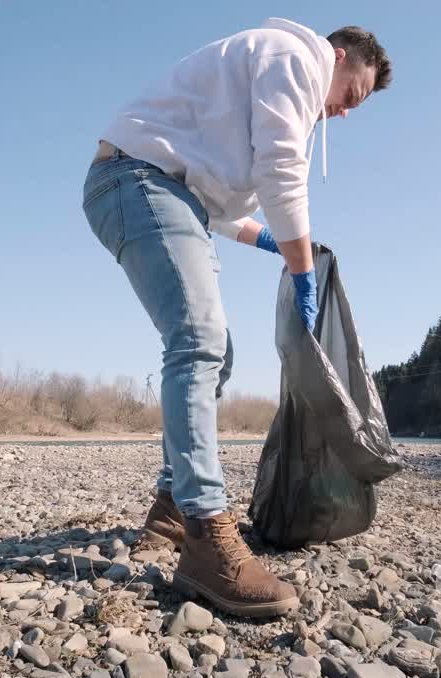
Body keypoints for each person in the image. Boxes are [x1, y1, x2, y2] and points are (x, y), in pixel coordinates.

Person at [81, 19, 391, 617]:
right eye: (352, 94)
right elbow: (281, 170)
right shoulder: (296, 57)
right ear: (341, 54)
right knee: (196, 341)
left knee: (214, 352)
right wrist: (302, 269)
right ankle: (206, 535)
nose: (346, 112)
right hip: (134, 178)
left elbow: (207, 204)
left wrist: (271, 243)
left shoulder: (262, 74)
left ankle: (172, 509)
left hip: (153, 187)